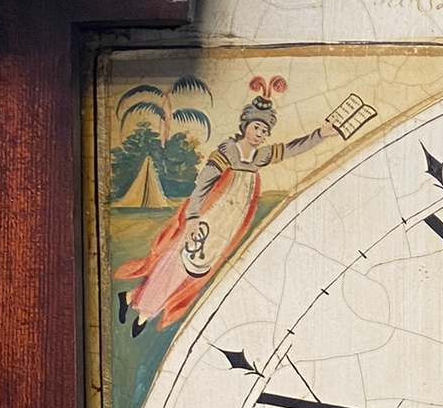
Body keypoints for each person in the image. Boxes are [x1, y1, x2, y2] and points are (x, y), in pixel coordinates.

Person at [116, 80, 336, 336]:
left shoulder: (259, 157)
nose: (260, 134)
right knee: (178, 260)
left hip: (228, 225)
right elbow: (203, 184)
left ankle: (137, 301)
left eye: (265, 131)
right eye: (257, 127)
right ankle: (142, 307)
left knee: (195, 271)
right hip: (208, 217)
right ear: (245, 126)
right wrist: (194, 216)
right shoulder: (227, 150)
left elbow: (291, 149)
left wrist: (321, 134)